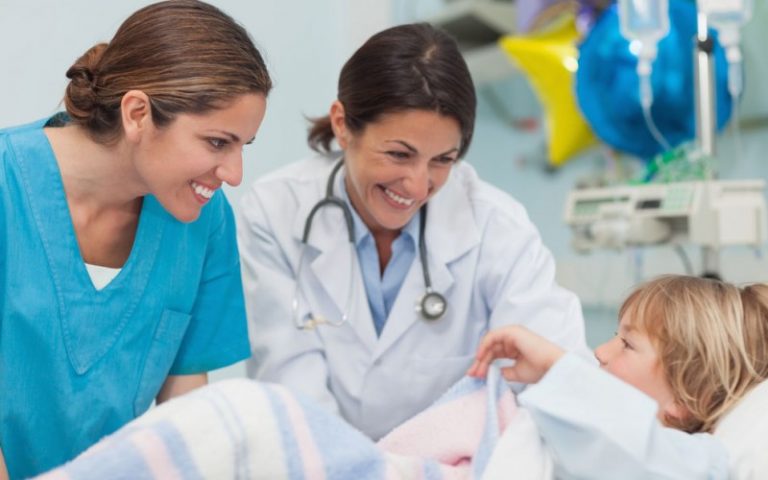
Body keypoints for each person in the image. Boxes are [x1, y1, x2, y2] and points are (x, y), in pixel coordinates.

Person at [237, 22, 588, 440]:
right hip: (321, 459)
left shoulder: (497, 227)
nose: (419, 186)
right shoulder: (276, 211)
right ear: (342, 124)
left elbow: (555, 377)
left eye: (443, 160)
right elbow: (292, 390)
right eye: (399, 154)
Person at [0, 1, 271, 477]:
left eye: (242, 146)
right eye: (217, 142)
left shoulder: (204, 220)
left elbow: (184, 417)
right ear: (138, 113)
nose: (234, 174)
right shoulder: (8, 186)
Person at [469, 274, 768, 479]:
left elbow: (632, 448)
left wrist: (556, 365)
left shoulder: (692, 461)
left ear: (685, 396)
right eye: (616, 335)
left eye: (627, 344)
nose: (600, 351)